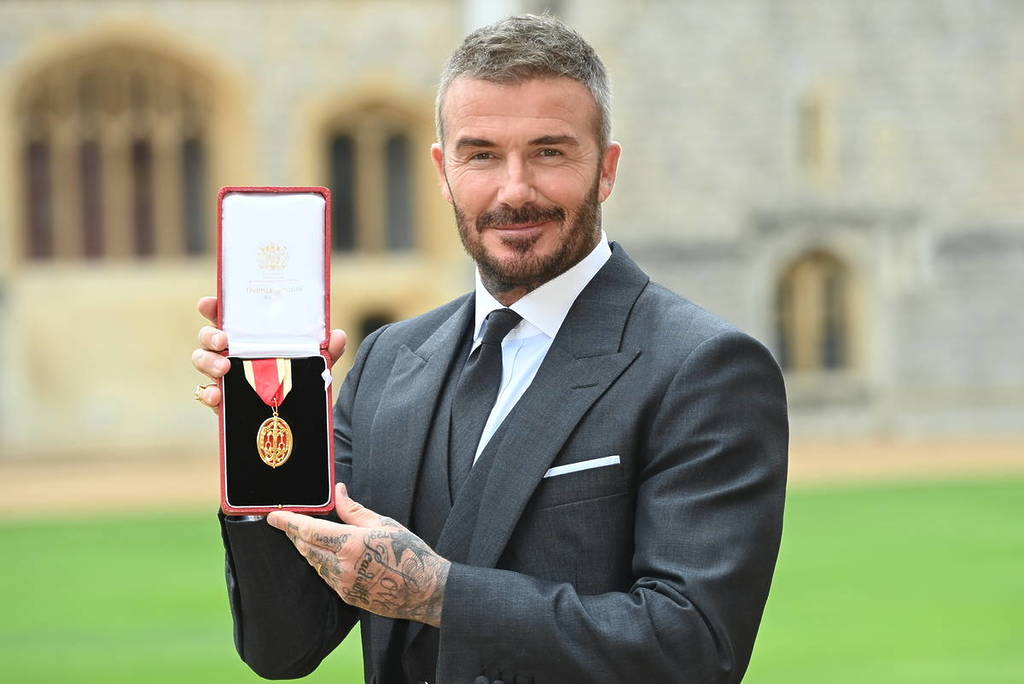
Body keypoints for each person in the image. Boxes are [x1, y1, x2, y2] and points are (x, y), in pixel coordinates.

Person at [192, 14, 787, 684]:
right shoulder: (388, 361)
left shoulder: (705, 368)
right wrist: (264, 433)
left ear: (607, 168)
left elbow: (694, 650)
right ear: (443, 172)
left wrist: (441, 594)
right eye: (481, 155)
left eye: (550, 152)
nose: (514, 190)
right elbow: (286, 648)